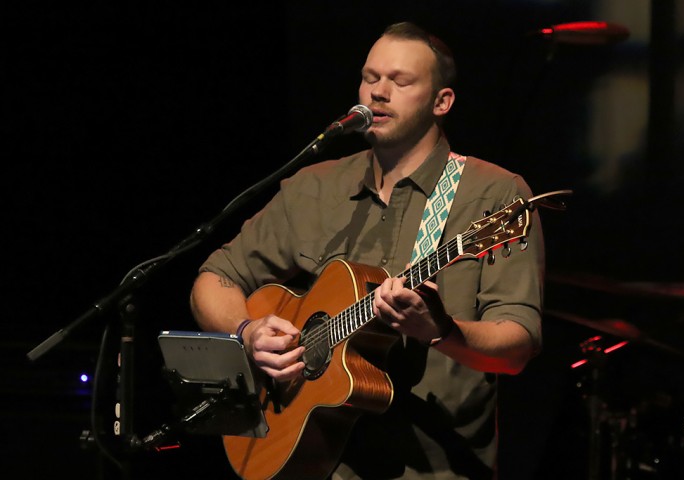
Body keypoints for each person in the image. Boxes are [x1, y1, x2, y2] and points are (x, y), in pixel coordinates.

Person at [189, 21, 544, 480]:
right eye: (370, 77)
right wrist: (249, 330)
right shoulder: (313, 188)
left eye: (400, 81)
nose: (378, 92)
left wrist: (440, 331)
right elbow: (214, 279)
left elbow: (517, 346)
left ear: (442, 102)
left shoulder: (493, 195)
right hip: (314, 461)